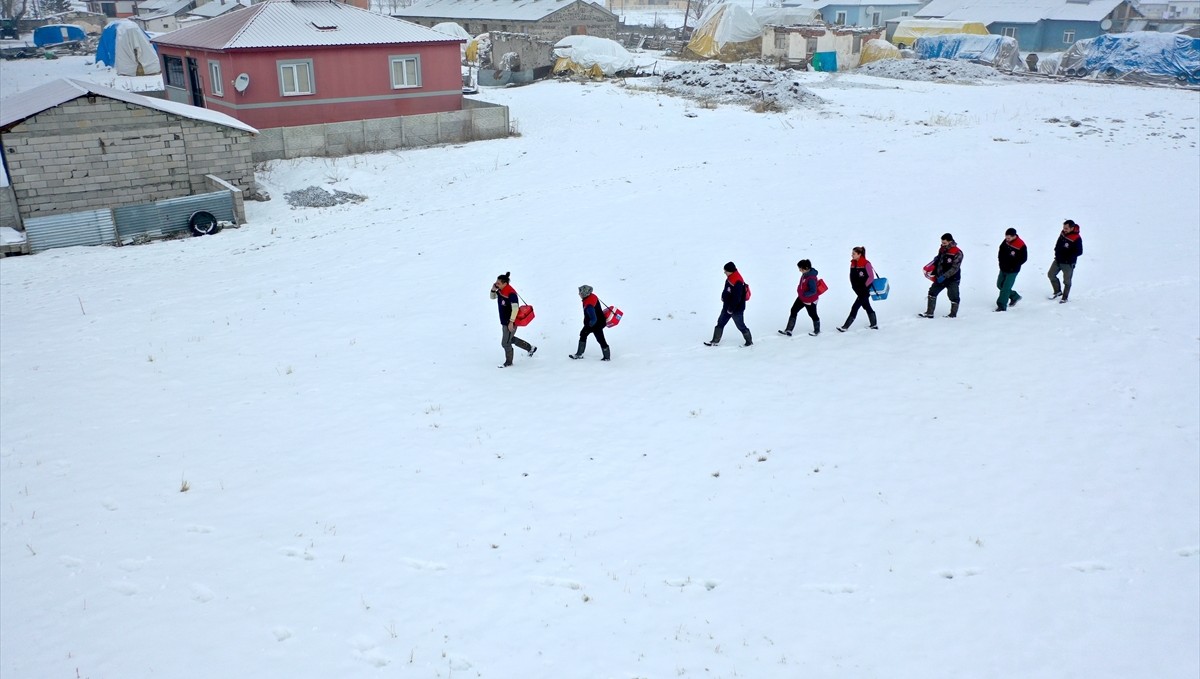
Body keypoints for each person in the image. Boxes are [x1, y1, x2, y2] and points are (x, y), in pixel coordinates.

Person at [490, 272, 536, 368]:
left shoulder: (511, 293)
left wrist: (511, 322)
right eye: (496, 282)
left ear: (504, 283)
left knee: (505, 343)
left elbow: (515, 309)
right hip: (504, 321)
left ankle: (509, 362)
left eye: (498, 283)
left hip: (510, 322)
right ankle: (530, 348)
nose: (496, 284)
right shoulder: (500, 290)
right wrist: (493, 290)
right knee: (509, 339)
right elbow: (492, 297)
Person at [705, 261, 752, 347]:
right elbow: (727, 289)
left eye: (725, 271)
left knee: (740, 326)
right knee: (720, 323)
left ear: (730, 271)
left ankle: (749, 341)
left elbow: (737, 298)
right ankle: (715, 341)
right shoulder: (730, 277)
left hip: (736, 309)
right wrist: (723, 296)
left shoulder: (738, 281)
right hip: (727, 306)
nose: (724, 272)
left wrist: (731, 308)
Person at [919, 233, 964, 319]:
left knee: (953, 296)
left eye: (944, 243)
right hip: (939, 277)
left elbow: (955, 268)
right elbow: (940, 260)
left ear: (950, 241)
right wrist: (935, 262)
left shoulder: (958, 253)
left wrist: (944, 276)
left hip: (952, 279)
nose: (942, 244)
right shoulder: (942, 249)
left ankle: (953, 315)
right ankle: (929, 313)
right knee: (932, 292)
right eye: (942, 242)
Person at [838, 246, 878, 331]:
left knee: (855, 307)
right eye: (852, 253)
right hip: (857, 290)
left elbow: (871, 277)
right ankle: (874, 325)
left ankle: (845, 327)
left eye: (854, 254)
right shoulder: (853, 263)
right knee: (867, 306)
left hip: (864, 290)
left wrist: (864, 287)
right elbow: (851, 275)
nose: (852, 255)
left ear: (859, 254)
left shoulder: (866, 263)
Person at [779, 259, 820, 336]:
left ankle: (817, 330)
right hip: (801, 298)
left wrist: (804, 294)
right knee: (793, 310)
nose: (799, 270)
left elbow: (813, 291)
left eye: (801, 269)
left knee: (812, 314)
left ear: (807, 268)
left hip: (809, 300)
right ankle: (788, 330)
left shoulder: (811, 278)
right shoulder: (805, 274)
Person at [570, 285, 611, 361]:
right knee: (584, 334)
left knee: (600, 339)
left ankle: (606, 357)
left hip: (596, 324)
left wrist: (589, 326)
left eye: (580, 293)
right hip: (600, 321)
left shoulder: (589, 304)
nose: (579, 294)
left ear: (585, 294)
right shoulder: (592, 296)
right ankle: (606, 357)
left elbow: (593, 319)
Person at [1048, 219, 1083, 303]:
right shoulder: (1063, 233)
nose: (1064, 229)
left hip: (1068, 263)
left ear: (1072, 228)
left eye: (1066, 228)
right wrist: (1056, 250)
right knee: (1051, 274)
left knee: (1067, 281)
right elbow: (1058, 242)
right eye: (1064, 227)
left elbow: (1079, 251)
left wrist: (1067, 255)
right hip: (1058, 260)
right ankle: (1057, 291)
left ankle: (1065, 297)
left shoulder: (1077, 238)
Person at [995, 227, 1028, 311]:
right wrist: (1000, 262)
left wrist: (1014, 265)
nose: (1007, 239)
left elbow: (1023, 258)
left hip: (1013, 270)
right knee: (1000, 285)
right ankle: (1015, 296)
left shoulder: (1021, 245)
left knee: (1006, 288)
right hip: (1003, 268)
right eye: (1006, 237)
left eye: (1009, 237)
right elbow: (1001, 251)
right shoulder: (1005, 241)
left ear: (1014, 236)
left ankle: (1001, 306)